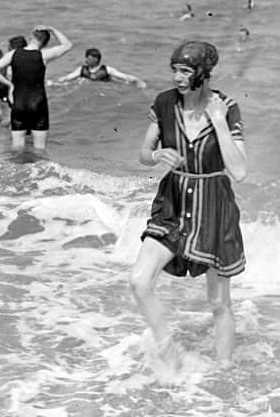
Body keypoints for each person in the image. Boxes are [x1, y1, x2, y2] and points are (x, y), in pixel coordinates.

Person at [129, 40, 247, 366]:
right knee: (139, 280)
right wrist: (157, 155)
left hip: (214, 207)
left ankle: (224, 371)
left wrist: (219, 122)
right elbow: (144, 154)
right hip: (173, 202)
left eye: (185, 71)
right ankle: (168, 350)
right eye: (175, 70)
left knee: (219, 302)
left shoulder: (227, 107)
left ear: (203, 73)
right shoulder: (165, 103)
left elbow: (239, 171)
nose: (177, 78)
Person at [0, 25, 73, 152]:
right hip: (38, 103)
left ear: (31, 36)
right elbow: (67, 45)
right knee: (40, 149)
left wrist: (10, 85)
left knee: (17, 148)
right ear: (45, 43)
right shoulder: (43, 55)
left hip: (19, 104)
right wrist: (52, 29)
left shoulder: (13, 54)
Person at [57, 47, 145, 87]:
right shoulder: (82, 69)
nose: (86, 60)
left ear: (96, 59)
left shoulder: (107, 70)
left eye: (88, 58)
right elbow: (68, 77)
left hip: (107, 88)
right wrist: (57, 82)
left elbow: (125, 77)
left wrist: (137, 80)